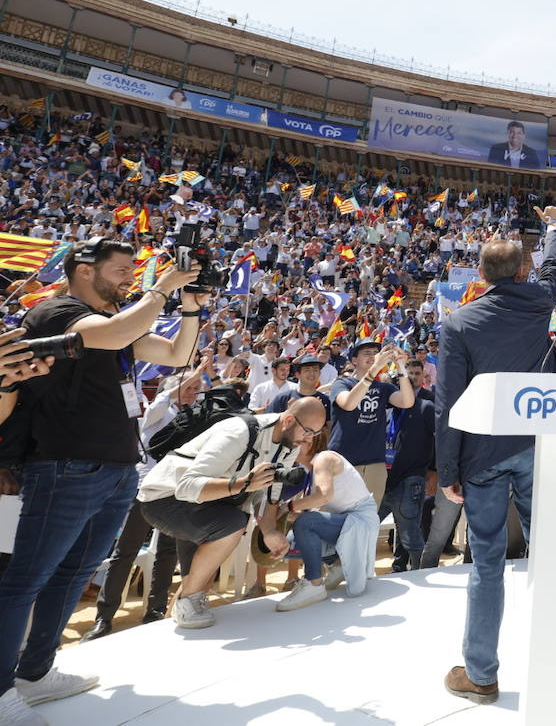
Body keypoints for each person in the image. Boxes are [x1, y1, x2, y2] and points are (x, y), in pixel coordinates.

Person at [0, 239, 202, 724]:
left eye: (134, 271)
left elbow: (176, 355)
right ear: (85, 271)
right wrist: (160, 289)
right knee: (25, 581)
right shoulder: (57, 312)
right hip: (66, 466)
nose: (130, 278)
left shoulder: (120, 321)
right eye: (121, 270)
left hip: (115, 470)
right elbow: (111, 334)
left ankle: (36, 671)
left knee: (71, 576)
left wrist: (190, 308)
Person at [435, 204, 556, 705]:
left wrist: (449, 471)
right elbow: (553, 270)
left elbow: (448, 404)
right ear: (523, 272)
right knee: (550, 554)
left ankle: (481, 675)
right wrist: (553, 227)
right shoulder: (539, 301)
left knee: (487, 563)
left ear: (481, 275)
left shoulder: (459, 324)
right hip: (535, 447)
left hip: (483, 456)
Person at [136, 398, 327, 629]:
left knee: (197, 582)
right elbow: (187, 486)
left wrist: (269, 530)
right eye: (307, 431)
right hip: (164, 499)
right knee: (233, 525)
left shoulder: (290, 445)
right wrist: (244, 483)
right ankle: (187, 603)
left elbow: (269, 495)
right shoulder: (239, 432)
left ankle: (176, 619)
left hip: (211, 505)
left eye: (315, 434)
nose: (308, 441)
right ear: (288, 420)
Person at [83, 369, 208, 641]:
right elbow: (165, 398)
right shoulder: (157, 413)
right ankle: (104, 617)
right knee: (124, 553)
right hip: (145, 490)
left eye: (197, 388)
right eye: (189, 387)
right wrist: (196, 372)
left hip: (174, 494)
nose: (193, 392)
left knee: (166, 553)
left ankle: (156, 610)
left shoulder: (196, 419)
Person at [276, 449, 381, 611]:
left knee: (305, 523)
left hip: (361, 522)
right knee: (288, 544)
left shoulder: (323, 458)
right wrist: (291, 517)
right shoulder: (309, 471)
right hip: (346, 523)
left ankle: (314, 584)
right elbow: (311, 518)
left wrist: (289, 507)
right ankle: (337, 564)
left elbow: (324, 496)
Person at [329, 341, 415, 507]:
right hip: (344, 461)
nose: (373, 356)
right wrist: (374, 369)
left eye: (375, 352)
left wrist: (401, 367)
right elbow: (348, 404)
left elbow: (407, 401)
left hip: (375, 463)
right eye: (366, 353)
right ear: (354, 360)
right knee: (335, 517)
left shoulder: (384, 388)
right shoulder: (342, 384)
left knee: (367, 520)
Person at [378, 359, 436, 573]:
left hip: (412, 477)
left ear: (424, 376)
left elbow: (440, 440)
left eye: (416, 373)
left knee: (410, 530)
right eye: (407, 373)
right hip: (384, 478)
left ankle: (419, 573)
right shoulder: (389, 404)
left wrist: (434, 471)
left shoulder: (429, 404)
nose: (411, 376)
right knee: (369, 525)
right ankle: (398, 567)